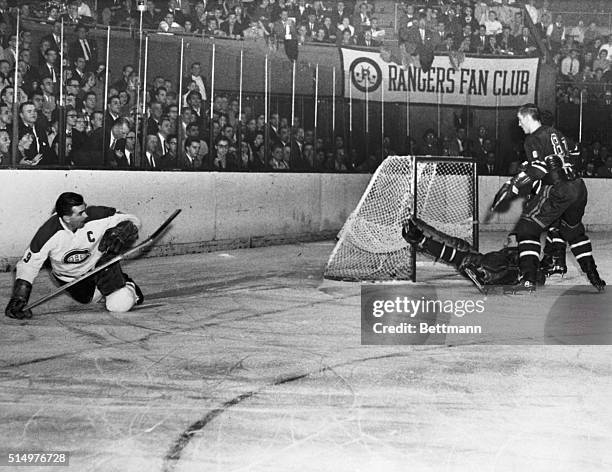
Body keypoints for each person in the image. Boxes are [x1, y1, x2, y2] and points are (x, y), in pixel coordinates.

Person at [490, 103, 605, 293]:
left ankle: (528, 280)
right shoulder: (554, 132)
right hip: (578, 187)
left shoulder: (532, 139)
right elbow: (576, 150)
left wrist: (512, 186)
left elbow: (538, 169)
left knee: (526, 228)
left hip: (558, 189)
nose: (519, 125)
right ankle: (595, 277)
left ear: (528, 118)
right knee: (574, 232)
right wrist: (565, 163)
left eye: (520, 120)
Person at [5, 192, 144, 320]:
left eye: (85, 209)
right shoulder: (47, 234)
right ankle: (112, 285)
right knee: (91, 300)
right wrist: (19, 297)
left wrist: (124, 229)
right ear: (66, 218)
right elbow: (28, 265)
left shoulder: (96, 215)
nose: (86, 215)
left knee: (119, 304)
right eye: (80, 213)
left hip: (100, 265)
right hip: (70, 278)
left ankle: (127, 285)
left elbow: (133, 219)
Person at [401, 217, 540, 293]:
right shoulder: (510, 253)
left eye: (509, 241)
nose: (505, 243)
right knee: (462, 251)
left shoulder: (520, 254)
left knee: (466, 257)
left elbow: (538, 276)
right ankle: (421, 238)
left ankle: (421, 238)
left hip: (496, 267)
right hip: (491, 266)